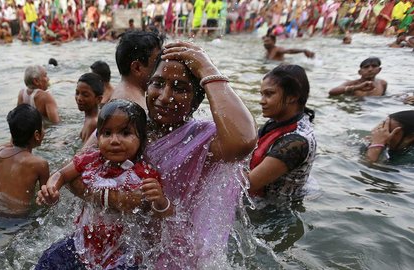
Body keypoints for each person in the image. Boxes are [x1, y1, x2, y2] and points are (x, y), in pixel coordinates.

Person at [39, 41, 257, 268]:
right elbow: (75, 172)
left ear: (198, 100)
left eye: (180, 88)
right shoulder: (125, 126)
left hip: (165, 255)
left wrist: (207, 69)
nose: (164, 96)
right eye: (158, 83)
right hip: (104, 240)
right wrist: (119, 201)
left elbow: (243, 140)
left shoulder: (202, 139)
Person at [35, 99, 171, 269]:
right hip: (82, 243)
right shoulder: (91, 160)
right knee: (48, 260)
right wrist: (51, 189)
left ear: (142, 139)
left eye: (125, 133)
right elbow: (61, 174)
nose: (114, 140)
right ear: (98, 137)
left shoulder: (144, 174)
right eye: (107, 133)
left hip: (122, 253)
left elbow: (163, 215)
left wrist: (160, 201)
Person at [248, 65, 317, 200]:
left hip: (274, 214)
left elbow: (249, 184)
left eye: (269, 94)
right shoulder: (276, 122)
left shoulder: (296, 141)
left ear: (293, 97)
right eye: (261, 94)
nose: (261, 101)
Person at [0, 104, 49, 215]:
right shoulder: (40, 164)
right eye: (42, 127)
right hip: (19, 220)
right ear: (37, 135)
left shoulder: (0, 153)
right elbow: (45, 199)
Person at [111, 31, 164, 109]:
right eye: (157, 61)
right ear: (137, 68)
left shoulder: (123, 97)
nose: (162, 66)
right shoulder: (131, 105)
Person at [75, 73, 103, 142]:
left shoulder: (93, 123)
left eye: (85, 95)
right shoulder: (91, 117)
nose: (79, 98)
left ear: (98, 99)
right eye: (77, 93)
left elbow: (84, 152)